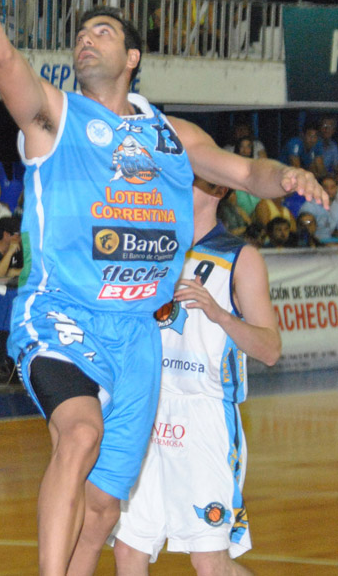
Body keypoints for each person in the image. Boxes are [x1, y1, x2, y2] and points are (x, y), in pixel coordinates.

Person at [0, 0, 324, 576]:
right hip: (61, 312)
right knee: (79, 433)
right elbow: (1, 55)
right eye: (80, 33)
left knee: (103, 509)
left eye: (101, 30)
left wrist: (291, 177)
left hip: (137, 334)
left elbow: (249, 170)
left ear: (132, 55)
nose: (85, 38)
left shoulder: (171, 133)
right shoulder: (55, 118)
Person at [112, 177, 281, 575]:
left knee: (209, 560)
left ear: (219, 191)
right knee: (128, 548)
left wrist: (220, 315)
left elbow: (270, 350)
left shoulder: (239, 257)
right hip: (145, 409)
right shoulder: (150, 249)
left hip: (204, 414)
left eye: (191, 179)